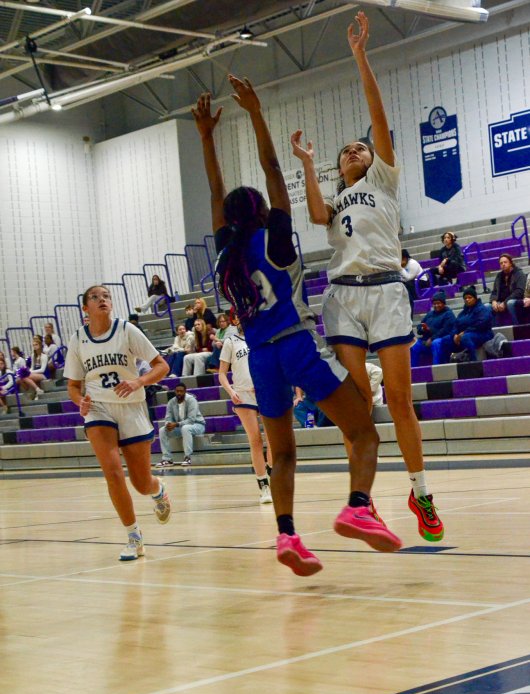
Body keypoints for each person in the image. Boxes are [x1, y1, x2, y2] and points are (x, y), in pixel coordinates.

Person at [193, 73, 402, 578]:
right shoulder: (277, 236)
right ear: (266, 210)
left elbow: (216, 191)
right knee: (364, 433)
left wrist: (205, 137)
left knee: (282, 452)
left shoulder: (228, 257)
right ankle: (356, 504)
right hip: (297, 345)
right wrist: (256, 113)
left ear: (227, 220)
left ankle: (286, 534)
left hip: (261, 358)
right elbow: (270, 168)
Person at [291, 12, 444, 543]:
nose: (356, 150)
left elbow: (377, 117)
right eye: (347, 151)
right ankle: (363, 502)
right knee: (360, 407)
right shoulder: (335, 200)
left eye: (361, 147)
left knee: (399, 398)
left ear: (374, 158)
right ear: (340, 168)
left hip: (386, 290)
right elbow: (313, 215)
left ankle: (420, 490)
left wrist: (359, 56)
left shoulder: (383, 178)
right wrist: (310, 164)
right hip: (343, 296)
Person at [64, 285, 171, 561]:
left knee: (141, 483)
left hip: (132, 407)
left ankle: (157, 490)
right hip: (98, 408)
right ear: (85, 308)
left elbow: (162, 366)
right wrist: (80, 402)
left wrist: (138, 381)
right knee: (112, 472)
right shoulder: (78, 339)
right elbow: (74, 386)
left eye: (107, 296)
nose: (103, 299)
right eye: (95, 297)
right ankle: (134, 537)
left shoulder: (127, 330)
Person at [219, 318, 273, 504]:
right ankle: (263, 485)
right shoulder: (230, 341)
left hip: (264, 390)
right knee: (255, 440)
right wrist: (231, 391)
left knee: (272, 438)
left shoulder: (261, 335)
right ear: (235, 320)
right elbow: (221, 373)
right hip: (242, 395)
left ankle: (272, 475)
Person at [431, 286, 494, 364]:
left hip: (483, 333)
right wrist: (455, 335)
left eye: (469, 297)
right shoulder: (463, 313)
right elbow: (456, 325)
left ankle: (474, 363)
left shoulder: (482, 309)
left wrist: (464, 332)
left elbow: (481, 324)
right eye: (465, 298)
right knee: (446, 340)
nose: (467, 300)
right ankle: (446, 365)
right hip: (464, 335)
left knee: (466, 337)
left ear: (475, 298)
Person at [156, 383, 206, 467]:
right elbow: (168, 417)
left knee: (185, 428)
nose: (179, 393)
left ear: (185, 392)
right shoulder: (171, 402)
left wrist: (176, 424)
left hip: (197, 425)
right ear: (175, 391)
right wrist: (168, 424)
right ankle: (167, 459)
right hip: (180, 427)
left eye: (181, 391)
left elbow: (191, 420)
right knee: (162, 430)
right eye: (177, 391)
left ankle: (188, 457)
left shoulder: (191, 400)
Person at [410, 291, 457, 367]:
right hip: (426, 338)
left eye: (438, 303)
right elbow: (419, 326)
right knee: (414, 345)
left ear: (443, 303)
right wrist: (422, 329)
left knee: (436, 343)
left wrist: (431, 337)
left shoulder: (448, 314)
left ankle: (436, 367)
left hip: (441, 339)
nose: (436, 305)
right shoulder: (430, 314)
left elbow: (445, 330)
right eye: (434, 304)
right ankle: (414, 369)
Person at [487, 253, 526, 323]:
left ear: (511, 263)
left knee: (510, 303)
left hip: (515, 300)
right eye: (501, 263)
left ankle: (517, 327)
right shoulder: (499, 276)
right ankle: (495, 330)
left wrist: (505, 302)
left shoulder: (519, 273)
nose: (503, 264)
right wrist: (493, 301)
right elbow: (494, 291)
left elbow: (519, 291)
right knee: (487, 306)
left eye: (505, 262)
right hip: (500, 302)